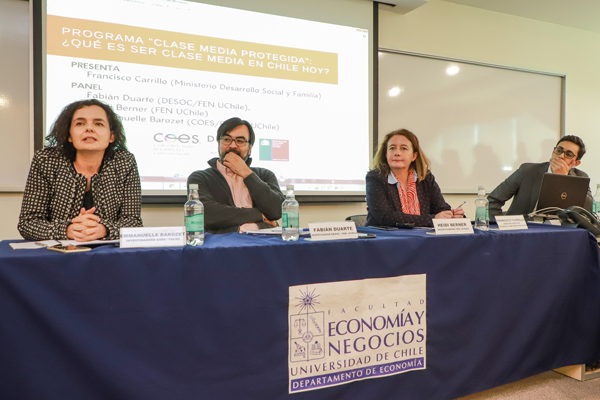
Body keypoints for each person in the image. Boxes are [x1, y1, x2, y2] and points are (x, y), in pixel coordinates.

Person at [18, 99, 143, 241]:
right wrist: (68, 230)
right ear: (69, 135)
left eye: (98, 123)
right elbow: (28, 223)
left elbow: (133, 223)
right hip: (56, 256)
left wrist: (103, 230)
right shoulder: (46, 160)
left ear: (111, 136)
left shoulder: (124, 162)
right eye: (80, 123)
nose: (89, 129)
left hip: (107, 254)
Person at [187, 117, 285, 234]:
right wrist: (260, 215)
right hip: (225, 244)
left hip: (265, 240)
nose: (233, 146)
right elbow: (207, 214)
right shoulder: (200, 178)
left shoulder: (264, 175)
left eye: (240, 141)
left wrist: (246, 173)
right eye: (227, 139)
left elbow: (277, 210)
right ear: (219, 144)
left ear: (250, 149)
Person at [366, 129, 464, 227]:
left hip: (421, 238)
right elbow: (386, 216)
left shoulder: (425, 178)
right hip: (385, 239)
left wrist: (452, 215)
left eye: (403, 148)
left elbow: (441, 208)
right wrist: (433, 219)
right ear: (386, 154)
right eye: (392, 148)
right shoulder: (375, 178)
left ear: (414, 156)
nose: (397, 153)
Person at [488, 135, 593, 219]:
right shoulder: (527, 171)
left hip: (560, 234)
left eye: (568, 154)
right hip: (523, 232)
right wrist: (500, 226)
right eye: (559, 150)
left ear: (576, 163)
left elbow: (588, 211)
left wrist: (564, 179)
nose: (561, 156)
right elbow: (493, 200)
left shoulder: (580, 177)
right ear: (553, 151)